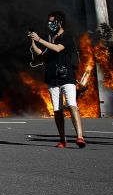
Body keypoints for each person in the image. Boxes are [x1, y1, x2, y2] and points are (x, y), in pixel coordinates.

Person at [29, 11, 86, 148]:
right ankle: (62, 139)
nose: (50, 24)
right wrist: (33, 41)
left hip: (67, 76)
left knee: (72, 105)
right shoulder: (49, 38)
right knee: (57, 110)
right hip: (52, 78)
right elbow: (42, 54)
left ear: (60, 22)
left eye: (52, 22)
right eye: (48, 22)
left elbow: (57, 48)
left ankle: (80, 137)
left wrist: (40, 40)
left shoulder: (67, 37)